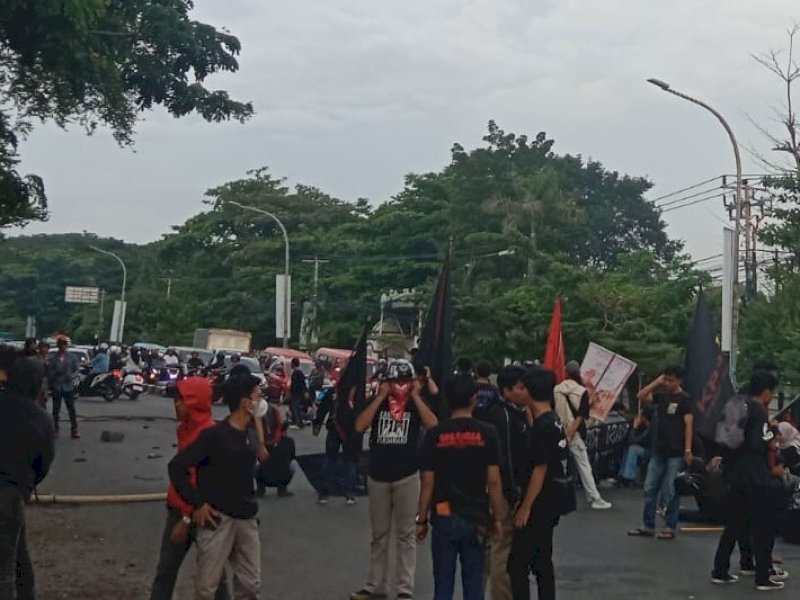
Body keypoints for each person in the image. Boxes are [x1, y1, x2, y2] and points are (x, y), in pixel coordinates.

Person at [168, 373, 262, 600]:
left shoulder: (250, 434)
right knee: (206, 587)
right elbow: (177, 467)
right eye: (257, 396)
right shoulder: (214, 437)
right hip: (218, 520)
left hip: (246, 519)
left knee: (250, 584)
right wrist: (197, 504)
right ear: (245, 402)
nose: (261, 401)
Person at [351, 360, 439, 600]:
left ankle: (404, 588)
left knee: (405, 535)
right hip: (378, 475)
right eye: (395, 382)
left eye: (405, 382)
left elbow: (433, 425)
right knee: (379, 535)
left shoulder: (414, 404)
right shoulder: (378, 403)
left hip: (407, 475)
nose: (399, 387)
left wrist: (416, 397)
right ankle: (375, 585)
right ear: (386, 383)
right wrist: (381, 398)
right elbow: (359, 426)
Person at [416, 373, 504, 600]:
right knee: (474, 582)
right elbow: (493, 480)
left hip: (444, 511)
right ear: (473, 399)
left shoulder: (435, 435)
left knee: (443, 583)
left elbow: (427, 481)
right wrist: (498, 517)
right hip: (476, 515)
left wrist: (422, 518)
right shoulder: (488, 433)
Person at [150, 376, 229, 600]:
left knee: (212, 577)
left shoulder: (207, 434)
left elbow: (199, 480)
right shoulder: (186, 428)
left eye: (181, 400)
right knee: (169, 571)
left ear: (194, 403)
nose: (176, 404)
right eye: (176, 399)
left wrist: (185, 519)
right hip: (184, 508)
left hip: (196, 512)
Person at [711, 371, 786, 590]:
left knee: (734, 524)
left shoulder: (739, 406)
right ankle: (762, 577)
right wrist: (772, 440)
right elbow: (759, 443)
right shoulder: (758, 411)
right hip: (755, 475)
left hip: (734, 473)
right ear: (766, 391)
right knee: (764, 526)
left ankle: (720, 570)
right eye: (771, 392)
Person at [507, 368, 575, 600]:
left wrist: (525, 506)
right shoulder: (553, 421)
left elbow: (540, 467)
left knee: (517, 565)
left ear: (529, 390)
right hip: (554, 499)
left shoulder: (543, 427)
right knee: (542, 560)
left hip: (539, 502)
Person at [0, 353, 55, 598]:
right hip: (10, 496)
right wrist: (26, 485)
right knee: (6, 567)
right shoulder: (40, 417)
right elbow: (44, 462)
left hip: (11, 494)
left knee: (18, 553)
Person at [482, 365, 533, 600]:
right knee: (501, 546)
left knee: (491, 546)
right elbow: (507, 458)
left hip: (498, 487)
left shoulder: (513, 412)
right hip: (502, 489)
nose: (525, 392)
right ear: (507, 390)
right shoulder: (502, 415)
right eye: (521, 388)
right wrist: (513, 494)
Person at [628, 365, 693, 540]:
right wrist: (657, 381)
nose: (668, 383)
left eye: (672, 380)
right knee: (650, 487)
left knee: (671, 489)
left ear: (679, 380)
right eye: (667, 379)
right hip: (659, 449)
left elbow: (688, 425)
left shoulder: (685, 399)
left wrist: (688, 449)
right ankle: (648, 524)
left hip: (676, 451)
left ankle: (669, 526)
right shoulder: (662, 396)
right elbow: (641, 396)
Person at [553, 361, 612, 510]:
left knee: (559, 465)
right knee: (584, 465)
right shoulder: (581, 391)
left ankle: (556, 497)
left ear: (566, 372)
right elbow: (581, 415)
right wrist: (571, 433)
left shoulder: (556, 389)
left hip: (558, 430)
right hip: (575, 433)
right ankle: (594, 497)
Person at [314, 385, 360, 505]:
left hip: (342, 429)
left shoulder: (339, 390)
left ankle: (327, 493)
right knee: (342, 461)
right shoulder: (351, 391)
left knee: (333, 460)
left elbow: (322, 408)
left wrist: (317, 423)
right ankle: (348, 493)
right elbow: (323, 407)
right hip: (342, 429)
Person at [255, 402, 296, 498]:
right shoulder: (289, 441)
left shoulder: (262, 442)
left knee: (257, 466)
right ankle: (282, 489)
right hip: (283, 474)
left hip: (264, 476)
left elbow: (258, 458)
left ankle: (260, 490)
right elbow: (292, 456)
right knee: (290, 466)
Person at [46, 338, 81, 439]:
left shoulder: (72, 357)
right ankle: (55, 429)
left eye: (64, 345)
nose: (62, 347)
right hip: (56, 386)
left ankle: (75, 429)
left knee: (71, 409)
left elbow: (76, 370)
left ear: (66, 346)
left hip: (68, 386)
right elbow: (49, 372)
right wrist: (55, 373)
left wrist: (71, 376)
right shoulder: (53, 358)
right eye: (60, 345)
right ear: (58, 346)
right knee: (56, 410)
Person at [617, 410, 652, 485]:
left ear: (644, 418)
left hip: (650, 450)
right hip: (643, 448)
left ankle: (628, 476)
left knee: (633, 449)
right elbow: (629, 440)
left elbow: (634, 440)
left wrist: (635, 427)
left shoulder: (650, 428)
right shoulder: (643, 427)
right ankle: (622, 474)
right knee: (628, 448)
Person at [288, 357, 308, 429]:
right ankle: (296, 421)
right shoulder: (299, 372)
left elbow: (295, 384)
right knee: (295, 407)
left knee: (296, 408)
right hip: (298, 393)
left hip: (296, 393)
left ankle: (299, 423)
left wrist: (291, 392)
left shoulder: (297, 373)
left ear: (293, 364)